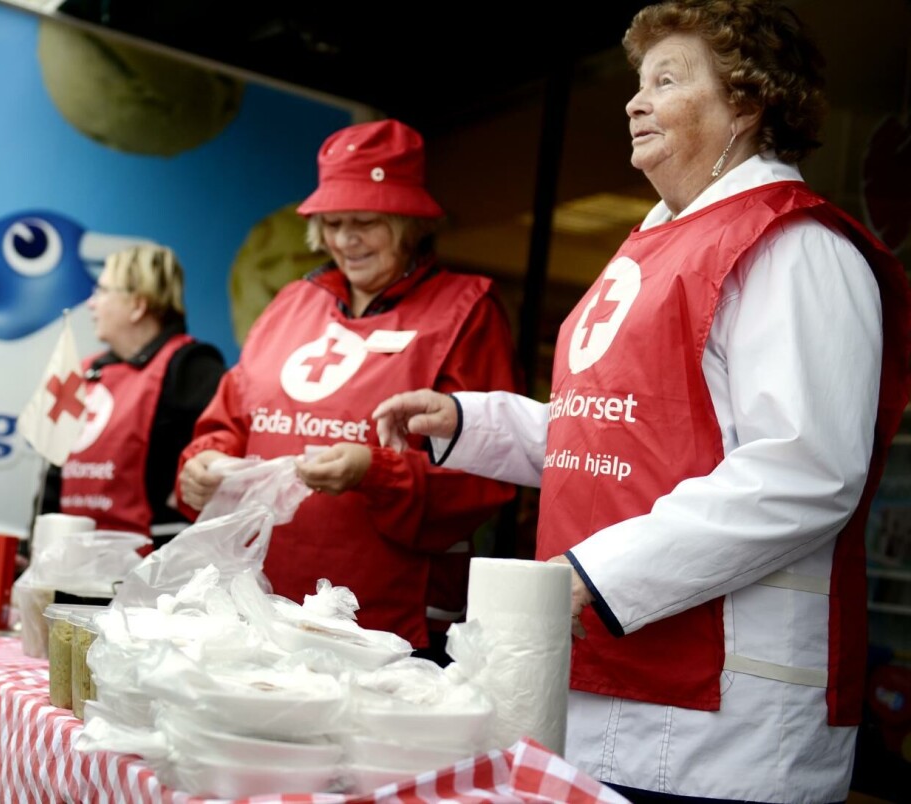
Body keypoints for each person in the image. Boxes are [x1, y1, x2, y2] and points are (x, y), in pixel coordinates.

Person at [372, 2, 911, 801]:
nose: (634, 100)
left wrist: (593, 575)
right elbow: (612, 434)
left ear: (749, 102)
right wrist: (471, 421)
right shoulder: (651, 246)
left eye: (667, 79)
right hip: (603, 685)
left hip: (728, 727)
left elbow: (805, 470)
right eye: (637, 81)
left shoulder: (797, 246)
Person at [176, 118, 522, 663]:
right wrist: (202, 462)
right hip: (254, 606)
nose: (346, 240)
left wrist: (376, 471)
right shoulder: (291, 302)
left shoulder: (465, 310)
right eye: (332, 223)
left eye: (366, 222)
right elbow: (230, 420)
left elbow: (487, 474)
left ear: (408, 223)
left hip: (385, 625)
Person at [42, 244, 225, 553]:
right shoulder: (85, 371)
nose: (91, 303)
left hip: (151, 573)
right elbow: (54, 472)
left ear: (137, 305)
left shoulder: (193, 368)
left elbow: (209, 476)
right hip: (71, 563)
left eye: (101, 291)